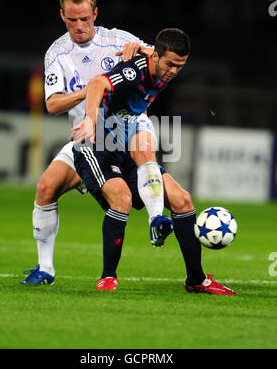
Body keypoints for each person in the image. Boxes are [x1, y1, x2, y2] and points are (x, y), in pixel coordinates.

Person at [71, 28, 236, 296]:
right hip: (95, 145)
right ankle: (107, 277)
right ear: (156, 56)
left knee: (182, 200)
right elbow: (97, 85)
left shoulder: (161, 67)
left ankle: (196, 279)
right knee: (121, 199)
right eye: (169, 64)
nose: (173, 71)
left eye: (179, 66)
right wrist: (89, 119)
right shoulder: (136, 70)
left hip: (124, 141)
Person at [21, 0, 156, 285]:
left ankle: (192, 266)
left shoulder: (117, 39)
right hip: (85, 138)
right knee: (45, 189)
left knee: (167, 195)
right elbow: (53, 104)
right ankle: (45, 269)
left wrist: (142, 52)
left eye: (84, 18)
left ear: (95, 13)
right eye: (72, 19)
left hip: (122, 134)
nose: (79, 26)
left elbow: (159, 60)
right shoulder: (57, 53)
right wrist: (90, 90)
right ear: (62, 15)